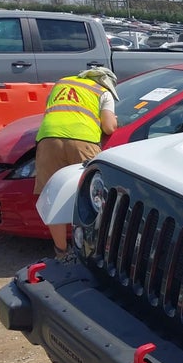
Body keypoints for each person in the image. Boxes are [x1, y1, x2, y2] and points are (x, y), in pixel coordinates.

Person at [34, 67, 119, 259]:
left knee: (53, 195)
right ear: (107, 82)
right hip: (83, 140)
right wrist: (114, 120)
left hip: (48, 139)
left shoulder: (62, 83)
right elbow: (109, 126)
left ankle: (62, 252)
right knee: (93, 196)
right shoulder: (102, 92)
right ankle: (91, 249)